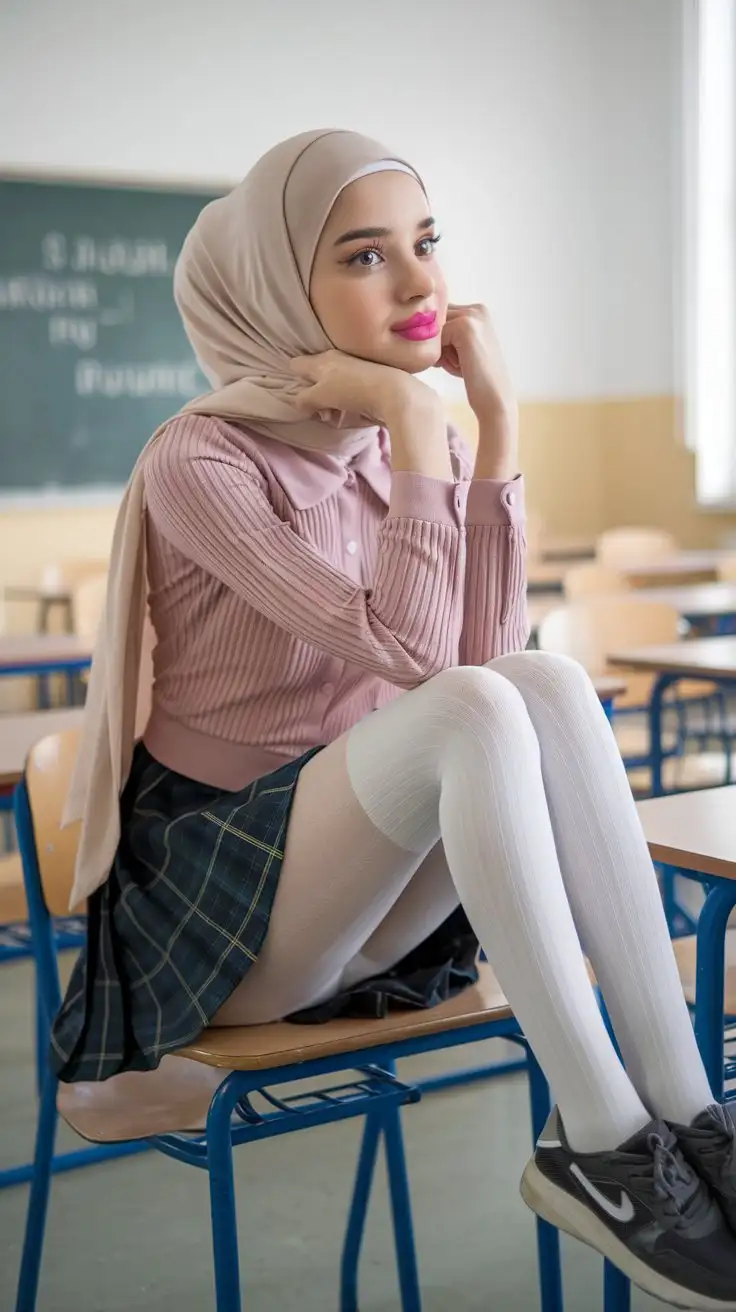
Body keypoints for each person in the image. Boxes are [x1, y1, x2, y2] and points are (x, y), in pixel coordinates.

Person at [52, 129, 736, 1308]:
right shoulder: (198, 462)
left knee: (545, 681)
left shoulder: (395, 441)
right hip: (226, 911)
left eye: (423, 244)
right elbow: (432, 669)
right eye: (365, 256)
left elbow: (482, 658)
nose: (420, 283)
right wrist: (424, 432)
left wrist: (498, 430)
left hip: (360, 900)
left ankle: (686, 1112)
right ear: (277, 289)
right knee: (478, 700)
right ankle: (603, 1141)